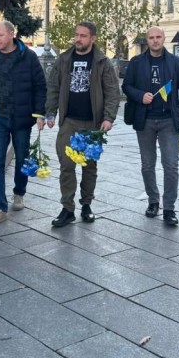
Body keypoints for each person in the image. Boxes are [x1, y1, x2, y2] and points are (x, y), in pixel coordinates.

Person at [45, 21, 120, 227]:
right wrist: (50, 113)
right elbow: (53, 87)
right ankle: (67, 209)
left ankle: (86, 205)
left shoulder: (102, 62)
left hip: (92, 123)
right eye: (76, 35)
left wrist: (108, 117)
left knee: (89, 166)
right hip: (69, 121)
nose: (78, 39)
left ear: (93, 39)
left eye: (83, 36)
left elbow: (113, 92)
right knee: (66, 166)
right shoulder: (64, 59)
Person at [122, 26, 179, 226]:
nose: (155, 41)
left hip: (168, 121)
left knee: (171, 165)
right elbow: (126, 86)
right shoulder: (137, 62)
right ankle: (153, 201)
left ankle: (169, 208)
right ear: (147, 40)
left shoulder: (175, 62)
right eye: (151, 38)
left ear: (164, 39)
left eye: (158, 37)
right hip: (144, 120)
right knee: (148, 165)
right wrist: (140, 95)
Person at [0, 21, 47, 226]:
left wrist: (39, 113)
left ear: (11, 34)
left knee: (22, 158)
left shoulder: (28, 57)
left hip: (21, 118)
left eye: (0, 35)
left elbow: (39, 86)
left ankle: (19, 192)